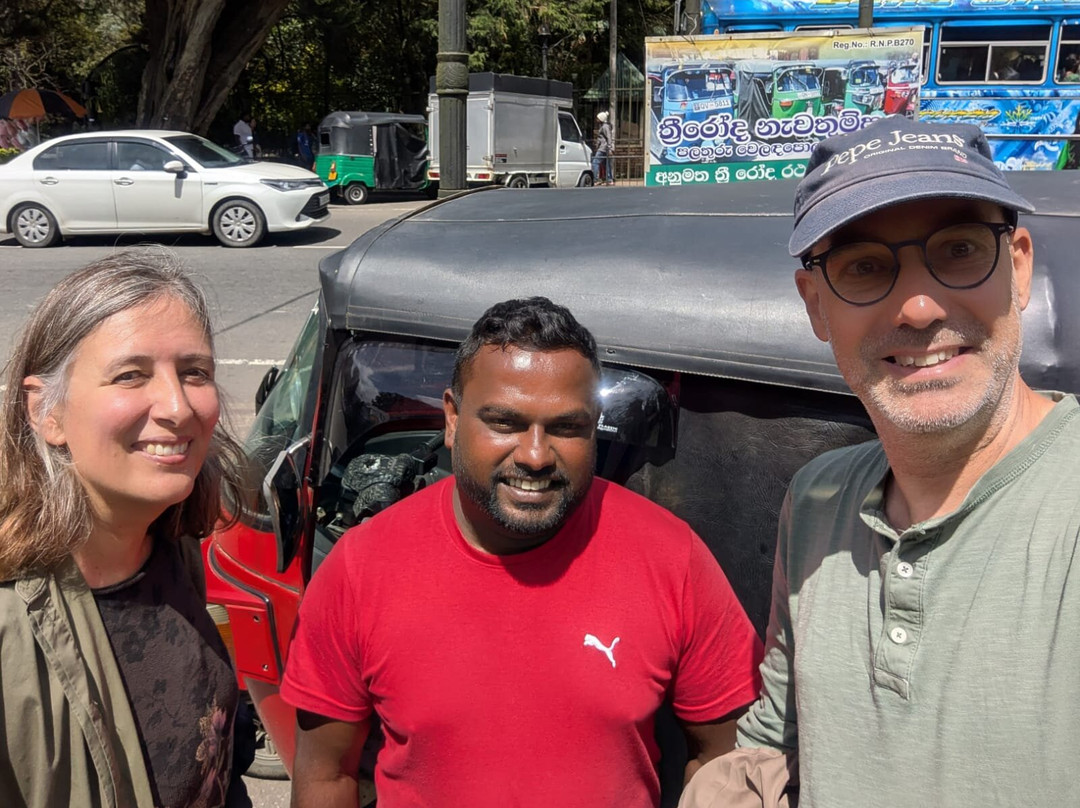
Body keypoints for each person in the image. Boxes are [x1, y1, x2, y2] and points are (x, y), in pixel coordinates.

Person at [681, 116, 1080, 807]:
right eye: (865, 267)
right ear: (816, 307)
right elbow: (775, 742)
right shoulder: (817, 501)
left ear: (1018, 266)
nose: (919, 307)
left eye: (958, 251)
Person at [281, 297, 763, 808]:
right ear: (451, 417)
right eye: (505, 423)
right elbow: (326, 776)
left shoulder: (671, 557)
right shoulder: (361, 568)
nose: (535, 455)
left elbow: (728, 761)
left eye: (566, 427)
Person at [0, 248, 253, 807]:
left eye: (195, 372)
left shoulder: (175, 547)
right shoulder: (10, 622)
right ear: (46, 412)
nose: (178, 407)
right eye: (130, 375)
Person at [593, 110, 615, 185]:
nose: (597, 120)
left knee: (595, 162)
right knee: (606, 164)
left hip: (603, 148)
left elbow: (609, 137)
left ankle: (596, 179)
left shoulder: (605, 127)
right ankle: (609, 179)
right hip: (605, 148)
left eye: (598, 119)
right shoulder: (603, 126)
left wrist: (609, 148)